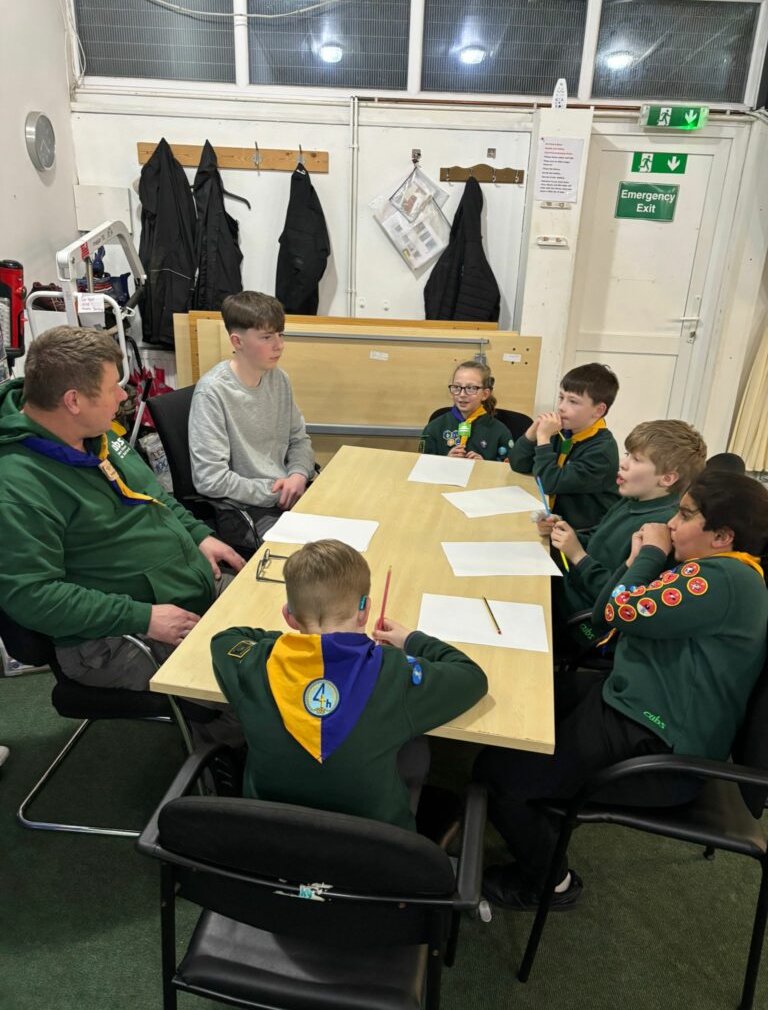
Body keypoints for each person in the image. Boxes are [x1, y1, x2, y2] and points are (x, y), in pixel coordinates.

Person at [474, 470, 768, 911]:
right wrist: (634, 563)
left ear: (723, 536)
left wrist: (650, 553)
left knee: (496, 776)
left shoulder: (720, 578)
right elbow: (605, 611)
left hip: (658, 746)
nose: (671, 523)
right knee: (522, 703)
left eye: (685, 515)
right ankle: (541, 815)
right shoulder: (712, 569)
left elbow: (616, 611)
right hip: (633, 700)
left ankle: (550, 883)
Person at [0, 327, 245, 701]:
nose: (122, 395)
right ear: (73, 400)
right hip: (116, 634)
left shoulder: (94, 433)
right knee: (253, 688)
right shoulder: (18, 486)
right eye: (112, 386)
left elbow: (152, 495)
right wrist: (143, 618)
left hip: (182, 588)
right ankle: (217, 734)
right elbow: (33, 596)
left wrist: (198, 535)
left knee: (286, 620)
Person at [211, 539, 488, 830]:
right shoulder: (394, 672)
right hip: (377, 844)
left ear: (288, 616)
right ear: (365, 611)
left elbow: (226, 639)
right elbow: (471, 675)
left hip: (270, 837)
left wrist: (287, 643)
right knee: (416, 749)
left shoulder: (256, 665)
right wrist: (411, 639)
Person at [539, 419, 707, 648]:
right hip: (572, 590)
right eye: (628, 454)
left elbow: (619, 595)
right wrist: (565, 532)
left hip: (585, 624)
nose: (623, 464)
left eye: (636, 460)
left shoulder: (659, 529)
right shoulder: (632, 500)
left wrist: (578, 555)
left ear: (667, 478)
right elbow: (598, 540)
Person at [189, 291, 315, 548]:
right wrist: (275, 492)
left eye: (280, 334)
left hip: (287, 494)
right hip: (246, 510)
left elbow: (299, 440)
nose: (279, 345)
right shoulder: (212, 392)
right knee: (312, 557)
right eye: (267, 337)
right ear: (237, 341)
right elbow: (210, 479)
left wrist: (298, 474)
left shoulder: (279, 379)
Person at [509, 362, 620, 530]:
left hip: (583, 533)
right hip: (554, 520)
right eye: (561, 398)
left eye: (573, 401)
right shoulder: (563, 430)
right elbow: (518, 464)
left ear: (598, 410)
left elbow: (549, 483)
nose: (561, 407)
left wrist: (544, 439)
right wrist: (532, 434)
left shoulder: (601, 452)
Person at [420, 361, 513, 462]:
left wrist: (485, 466)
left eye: (471, 388)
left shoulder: (500, 431)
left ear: (485, 394)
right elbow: (423, 465)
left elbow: (508, 468)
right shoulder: (434, 428)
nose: (462, 394)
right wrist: (445, 462)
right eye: (457, 387)